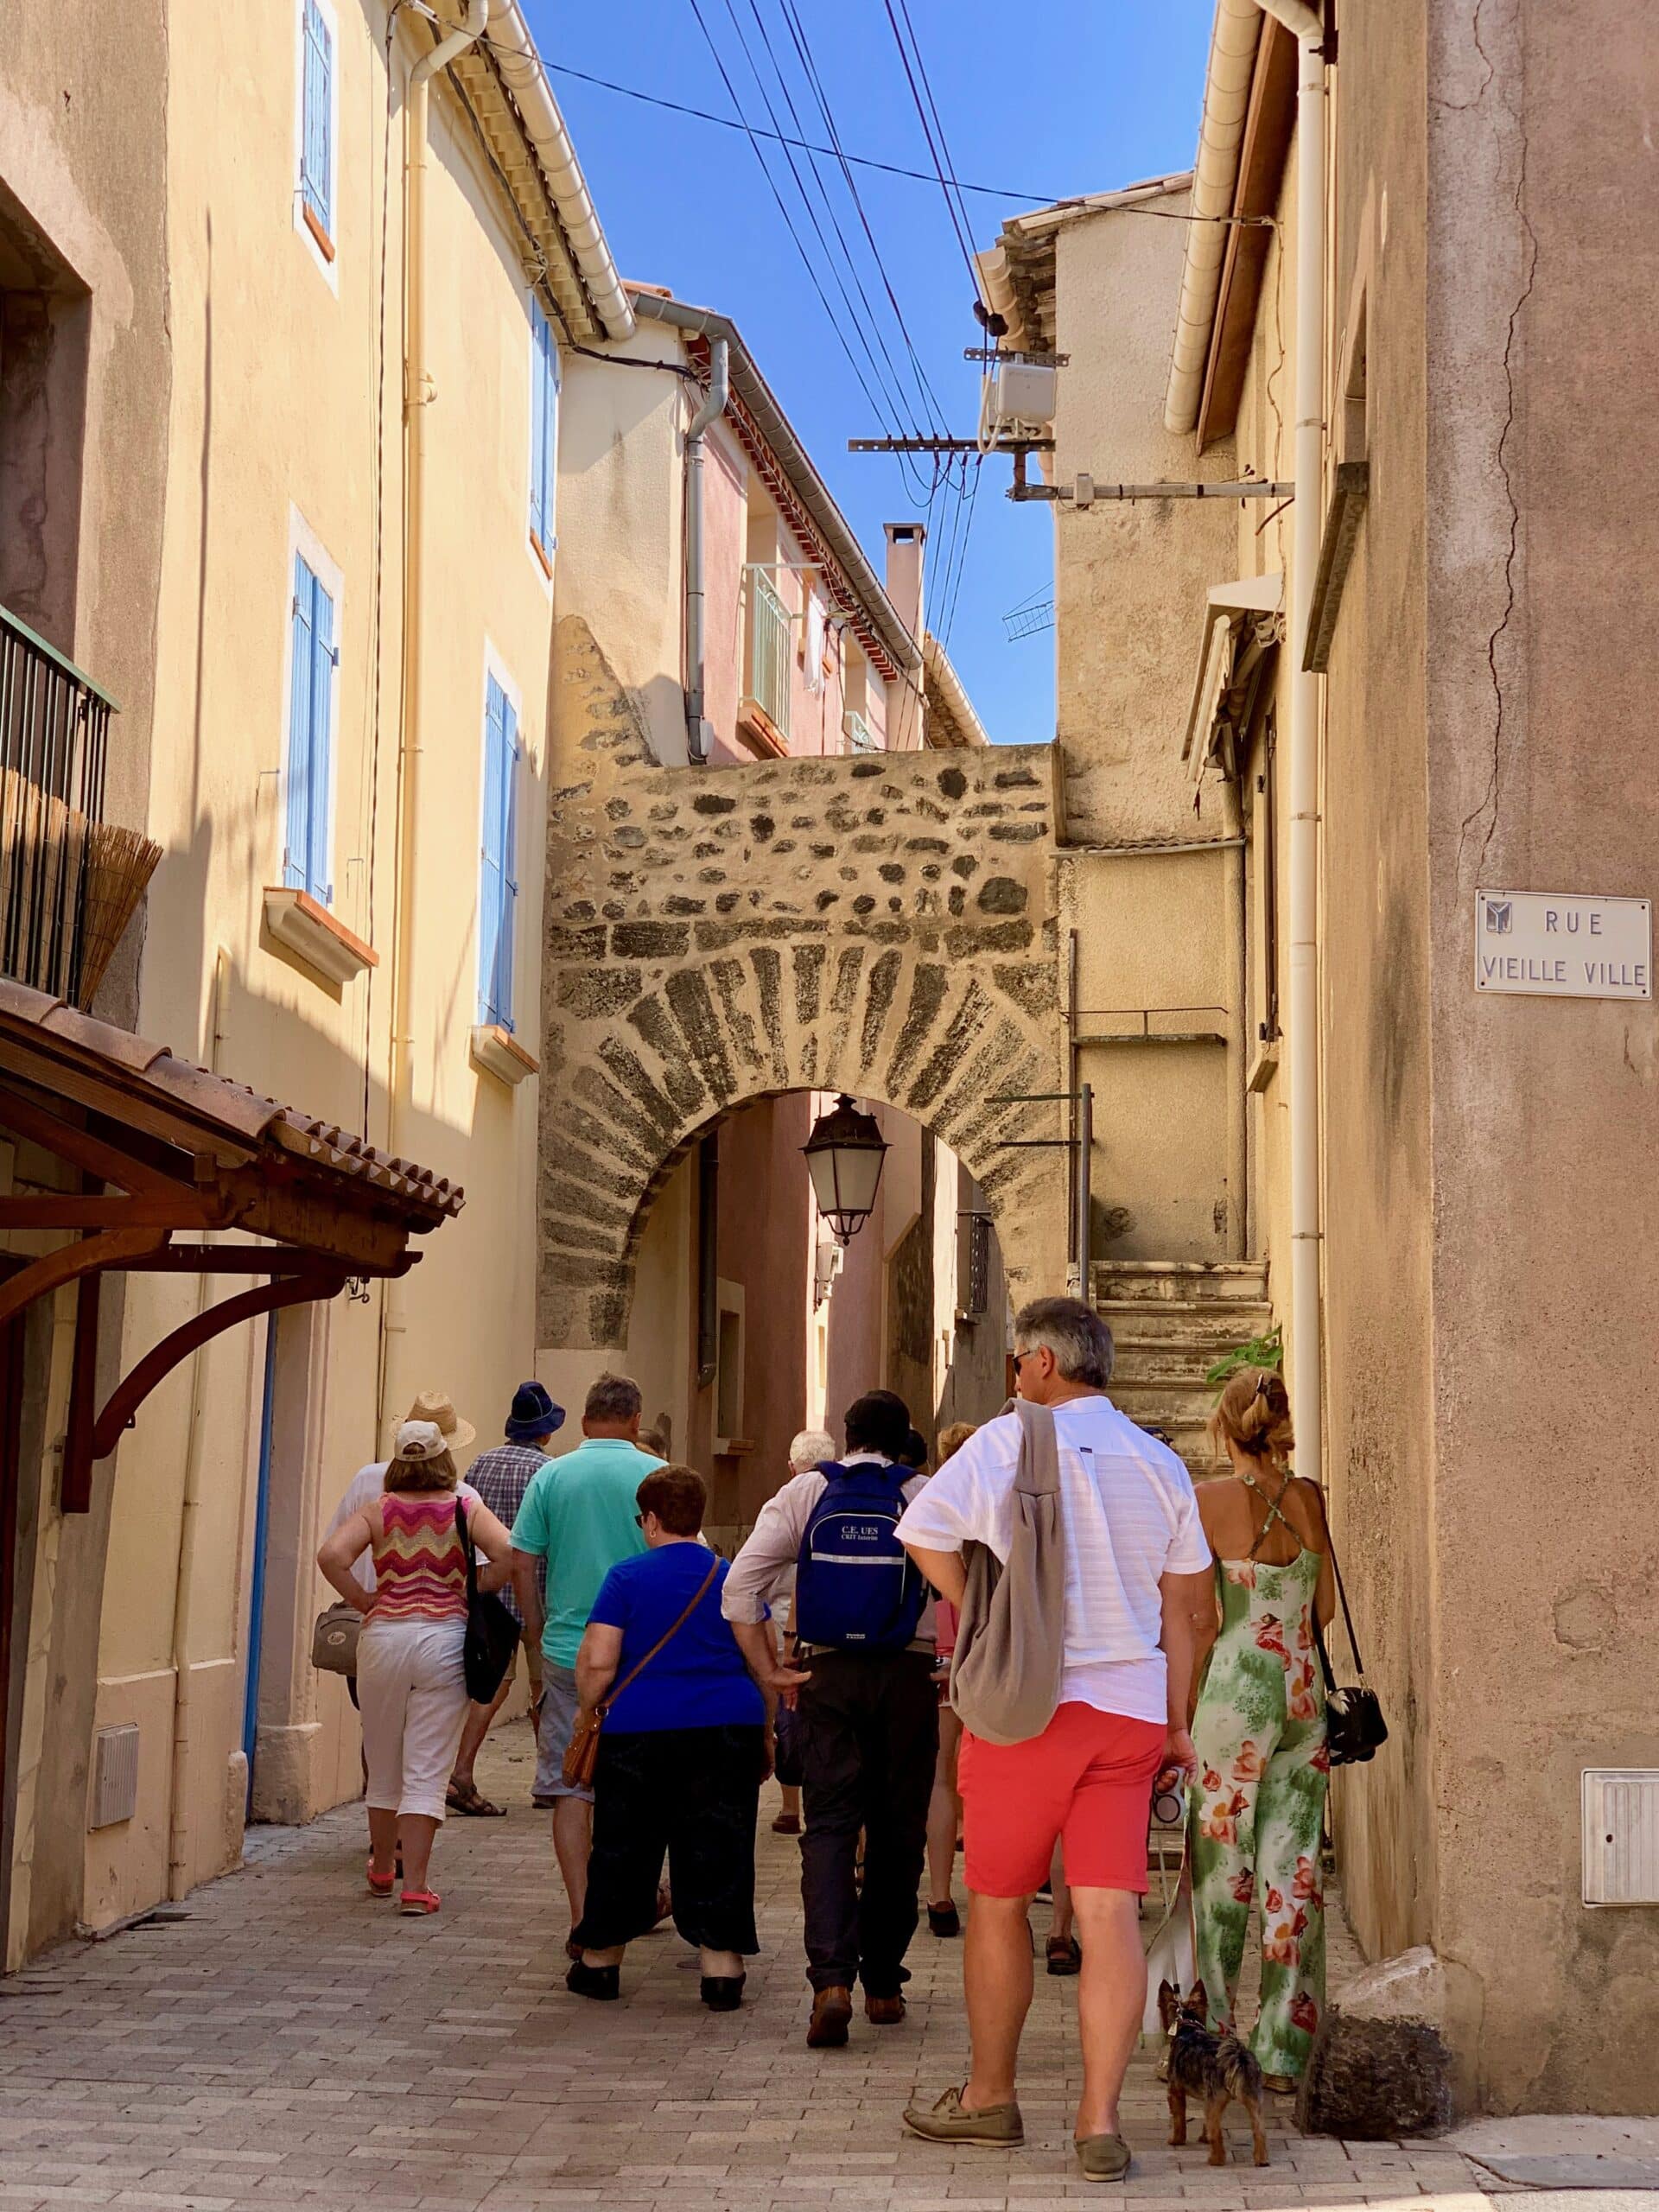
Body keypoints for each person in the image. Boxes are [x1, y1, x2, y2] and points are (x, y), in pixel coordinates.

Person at [893, 1297, 1214, 2183]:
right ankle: (1100, 2123)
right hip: (1130, 1710)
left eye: (1016, 1361)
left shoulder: (1005, 1443)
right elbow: (1191, 1607)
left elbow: (919, 1530)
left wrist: (985, 1612)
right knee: (1109, 1909)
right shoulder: (1160, 1462)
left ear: (1040, 1363)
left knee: (997, 1901)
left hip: (1028, 1711)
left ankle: (991, 2096)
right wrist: (1180, 1721)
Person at [725, 1389, 935, 2049]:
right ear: (905, 1437)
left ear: (846, 1436)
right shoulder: (924, 1494)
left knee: (830, 1828)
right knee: (899, 1830)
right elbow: (979, 1582)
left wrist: (770, 1672)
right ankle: (884, 1986)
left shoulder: (805, 1494)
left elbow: (741, 1590)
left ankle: (831, 1981)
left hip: (825, 1673)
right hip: (909, 1676)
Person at [566, 1465, 770, 2011]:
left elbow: (598, 1663)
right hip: (728, 1724)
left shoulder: (626, 1578)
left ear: (652, 1519)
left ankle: (601, 1961)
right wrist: (766, 1730)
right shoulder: (731, 1576)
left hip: (641, 1729)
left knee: (624, 1845)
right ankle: (722, 1969)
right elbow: (763, 1659)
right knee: (722, 1845)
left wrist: (590, 1709)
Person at [1185, 1365, 1333, 2092]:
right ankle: (1281, 2052)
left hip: (1237, 1697)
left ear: (1224, 1427)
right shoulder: (1308, 1499)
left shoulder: (1206, 1501)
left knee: (1223, 1869)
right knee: (1292, 1869)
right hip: (1302, 1693)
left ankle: (1210, 2037)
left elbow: (1197, 1619)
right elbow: (1325, 1612)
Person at [315, 1420, 515, 1914]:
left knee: (383, 1760)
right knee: (426, 1768)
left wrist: (364, 1599)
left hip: (384, 1638)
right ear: (444, 1458)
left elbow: (331, 1555)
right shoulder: (463, 1506)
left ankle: (382, 1869)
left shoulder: (379, 1508)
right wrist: (481, 1584)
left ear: (401, 1461)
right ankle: (416, 1886)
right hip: (445, 1638)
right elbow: (510, 1550)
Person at [510, 1373, 663, 1945]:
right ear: (634, 1419)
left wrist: (536, 1624)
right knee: (640, 1784)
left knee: (571, 1781)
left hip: (568, 1648)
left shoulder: (552, 1475)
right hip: (641, 1654)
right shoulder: (653, 1475)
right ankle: (638, 1895)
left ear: (582, 1422)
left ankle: (582, 1914)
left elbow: (523, 1560)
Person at [445, 1380, 565, 1817]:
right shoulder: (550, 1472)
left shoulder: (481, 1464)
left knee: (491, 1687)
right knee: (546, 1688)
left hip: (489, 1593)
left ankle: (462, 1770)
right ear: (545, 1432)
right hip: (538, 1593)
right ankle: (549, 1779)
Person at [924, 1419, 976, 1940]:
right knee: (982, 1781)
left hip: (938, 1659)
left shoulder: (932, 1508)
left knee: (941, 1776)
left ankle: (940, 1896)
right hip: (984, 1661)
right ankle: (991, 1891)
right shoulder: (990, 1508)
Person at [771, 1427, 836, 1839]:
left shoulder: (782, 1504)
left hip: (784, 1632)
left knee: (788, 1721)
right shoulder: (841, 1498)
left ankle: (791, 1807)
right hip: (835, 1635)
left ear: (791, 1466)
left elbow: (754, 1579)